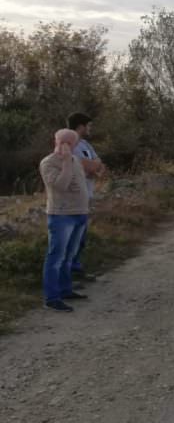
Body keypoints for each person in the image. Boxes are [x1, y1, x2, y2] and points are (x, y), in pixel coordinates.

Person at [39, 129, 90, 311]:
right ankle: (52, 297)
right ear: (59, 142)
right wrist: (66, 160)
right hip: (62, 215)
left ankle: (65, 289)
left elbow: (81, 184)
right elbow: (61, 185)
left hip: (80, 213)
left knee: (69, 255)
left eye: (73, 143)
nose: (72, 146)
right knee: (56, 256)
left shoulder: (75, 160)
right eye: (68, 143)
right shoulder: (48, 163)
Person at [66, 112, 104, 277]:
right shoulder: (69, 145)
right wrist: (92, 167)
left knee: (81, 236)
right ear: (80, 126)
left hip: (87, 195)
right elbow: (85, 166)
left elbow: (99, 164)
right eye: (88, 126)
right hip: (73, 198)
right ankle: (69, 273)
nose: (90, 129)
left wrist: (94, 167)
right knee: (72, 237)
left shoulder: (86, 144)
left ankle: (76, 268)